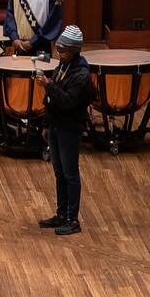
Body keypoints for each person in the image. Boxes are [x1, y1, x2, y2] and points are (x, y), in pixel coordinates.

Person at [37, 25, 91, 236]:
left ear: (75, 50)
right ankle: (61, 213)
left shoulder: (81, 74)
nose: (59, 53)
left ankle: (72, 219)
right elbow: (52, 100)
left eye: (63, 50)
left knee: (70, 174)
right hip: (56, 125)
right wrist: (45, 124)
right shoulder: (64, 65)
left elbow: (67, 101)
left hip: (69, 128)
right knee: (59, 172)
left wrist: (48, 85)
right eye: (58, 49)